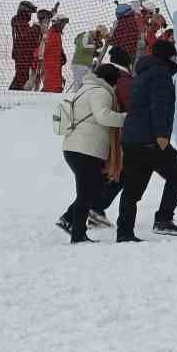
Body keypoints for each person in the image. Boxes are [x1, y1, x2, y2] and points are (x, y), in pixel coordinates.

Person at [116, 39, 177, 240]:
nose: (176, 60)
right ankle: (164, 220)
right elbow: (159, 106)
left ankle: (124, 232)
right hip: (150, 139)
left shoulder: (142, 74)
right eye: (174, 56)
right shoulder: (161, 75)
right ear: (168, 57)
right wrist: (162, 135)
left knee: (131, 189)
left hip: (132, 138)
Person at [56, 63, 130, 243]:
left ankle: (68, 220)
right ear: (111, 81)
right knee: (87, 192)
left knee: (94, 188)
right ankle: (78, 234)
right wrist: (126, 118)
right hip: (86, 149)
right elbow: (103, 116)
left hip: (74, 147)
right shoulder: (101, 92)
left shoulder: (85, 89)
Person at [9, 1, 39, 90]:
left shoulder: (20, 21)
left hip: (23, 54)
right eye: (29, 13)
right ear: (24, 11)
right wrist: (36, 28)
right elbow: (24, 35)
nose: (30, 15)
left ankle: (13, 93)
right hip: (22, 54)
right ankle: (11, 94)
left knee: (23, 76)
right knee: (21, 77)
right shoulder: (19, 21)